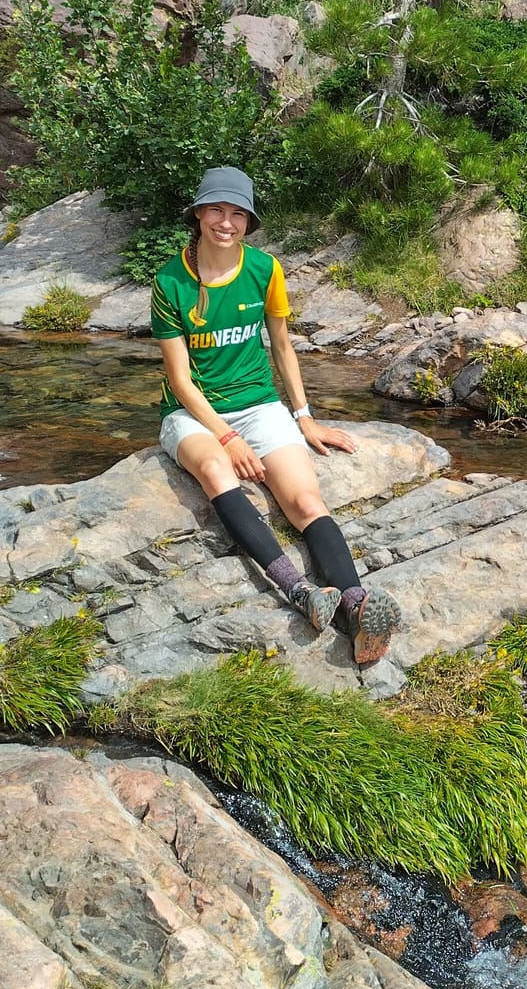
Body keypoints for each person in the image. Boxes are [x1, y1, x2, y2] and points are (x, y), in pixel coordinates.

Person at [150, 166, 401, 665]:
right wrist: (226, 438)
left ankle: (354, 605)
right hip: (192, 415)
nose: (227, 222)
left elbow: (282, 346)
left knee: (305, 499)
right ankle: (299, 592)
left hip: (261, 406)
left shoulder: (266, 269)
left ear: (248, 221)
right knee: (216, 471)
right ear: (199, 214)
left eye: (238, 213)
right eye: (217, 210)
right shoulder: (169, 281)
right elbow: (180, 380)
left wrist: (304, 417)